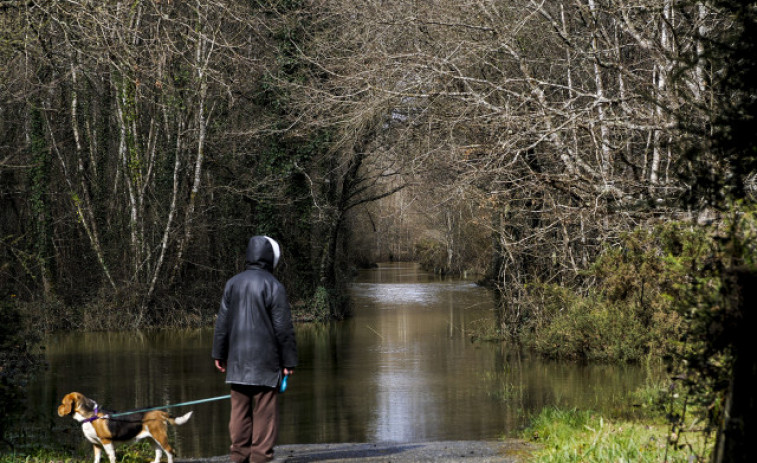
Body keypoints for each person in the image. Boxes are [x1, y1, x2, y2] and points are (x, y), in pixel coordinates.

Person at [212, 236, 298, 463]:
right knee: (265, 413)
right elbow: (283, 328)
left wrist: (219, 354)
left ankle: (238, 457)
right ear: (271, 258)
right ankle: (261, 457)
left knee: (239, 411)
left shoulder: (233, 283)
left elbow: (222, 323)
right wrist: (289, 362)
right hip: (266, 361)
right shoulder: (274, 286)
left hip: (237, 360)